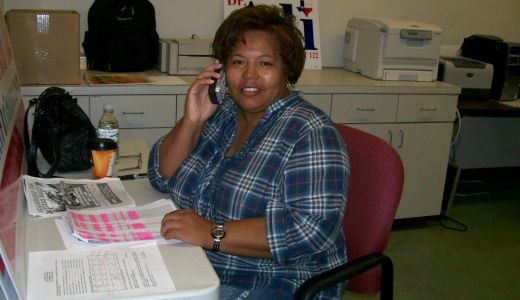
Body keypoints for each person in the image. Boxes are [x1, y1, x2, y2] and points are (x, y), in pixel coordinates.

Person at [148, 4, 349, 299]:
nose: (250, 76)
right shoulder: (223, 114)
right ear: (222, 70)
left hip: (276, 281)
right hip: (200, 265)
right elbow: (162, 175)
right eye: (239, 62)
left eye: (265, 64)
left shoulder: (311, 133)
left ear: (286, 70)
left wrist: (210, 232)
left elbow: (308, 231)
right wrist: (192, 121)